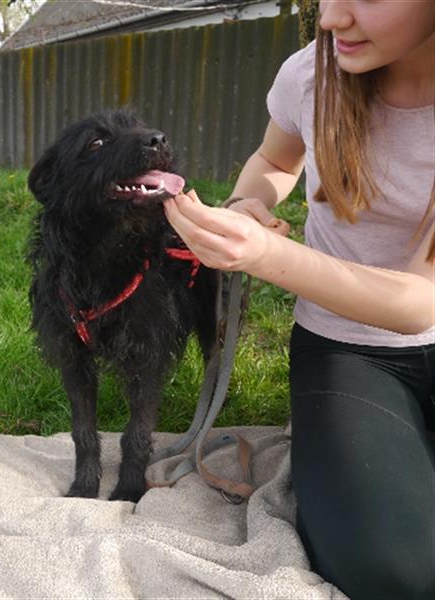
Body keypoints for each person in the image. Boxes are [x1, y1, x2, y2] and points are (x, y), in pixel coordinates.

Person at [163, 1, 434, 598]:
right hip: (349, 350)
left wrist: (264, 256)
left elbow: (422, 302)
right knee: (400, 574)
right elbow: (273, 161)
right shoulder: (312, 74)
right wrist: (246, 205)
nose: (332, 19)